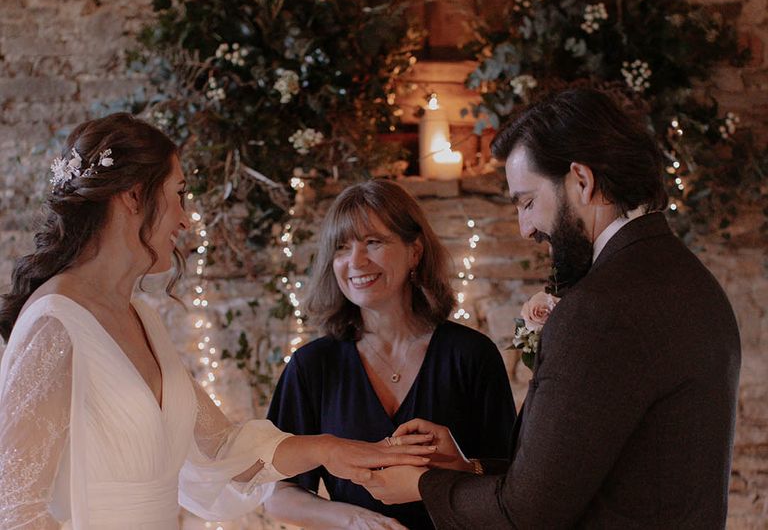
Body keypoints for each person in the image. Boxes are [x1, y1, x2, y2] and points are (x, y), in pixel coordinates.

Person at [0, 114, 434, 529]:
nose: (186, 219)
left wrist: (328, 448)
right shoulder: (53, 322)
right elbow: (16, 505)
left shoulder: (141, 318)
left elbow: (222, 450)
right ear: (134, 196)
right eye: (179, 194)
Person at [363, 88, 742, 529]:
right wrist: (466, 467)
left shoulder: (601, 310)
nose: (526, 228)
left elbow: (527, 513)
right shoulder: (689, 278)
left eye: (527, 201)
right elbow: (577, 475)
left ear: (581, 180)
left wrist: (421, 484)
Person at [264, 179, 516, 529]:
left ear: (415, 251)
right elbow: (277, 493)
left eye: (373, 242)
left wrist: (460, 466)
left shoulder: (472, 355)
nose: (356, 261)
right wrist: (355, 521)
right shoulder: (312, 366)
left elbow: (510, 484)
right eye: (341, 247)